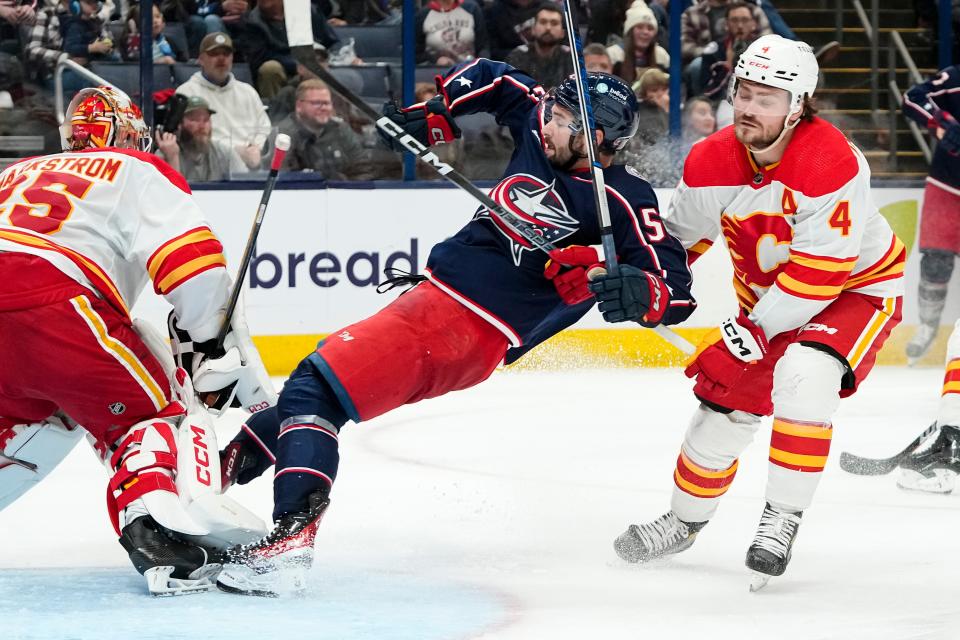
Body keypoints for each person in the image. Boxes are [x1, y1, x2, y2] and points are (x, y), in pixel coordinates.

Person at [213, 62, 697, 596]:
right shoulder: (542, 135)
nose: (547, 123)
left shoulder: (623, 201)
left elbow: (675, 291)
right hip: (436, 305)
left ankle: (286, 547)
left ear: (596, 137)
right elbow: (503, 81)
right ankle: (222, 473)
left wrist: (624, 283)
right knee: (327, 388)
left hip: (466, 326)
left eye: (562, 119)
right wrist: (438, 116)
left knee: (315, 388)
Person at [613, 35, 906, 589]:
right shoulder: (710, 158)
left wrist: (753, 328)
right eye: (744, 91)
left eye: (767, 97)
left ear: (798, 106)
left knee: (806, 370)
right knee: (718, 419)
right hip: (768, 306)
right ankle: (683, 520)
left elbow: (823, 276)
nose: (748, 106)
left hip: (856, 292)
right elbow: (679, 244)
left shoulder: (830, 160)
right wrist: (647, 281)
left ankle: (781, 518)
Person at [0, 85, 276, 594]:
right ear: (127, 132)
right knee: (153, 410)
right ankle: (159, 533)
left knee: (35, 416)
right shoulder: (135, 168)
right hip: (54, 298)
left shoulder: (12, 173)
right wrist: (209, 344)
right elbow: (192, 267)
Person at [901, 65, 960, 363]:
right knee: (936, 262)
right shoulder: (954, 78)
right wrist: (943, 124)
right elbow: (913, 98)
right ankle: (926, 326)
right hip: (948, 186)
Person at [176, 32, 271, 171]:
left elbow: (264, 127)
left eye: (226, 54)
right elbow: (188, 138)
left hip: (253, 163)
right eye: (214, 54)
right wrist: (234, 152)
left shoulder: (248, 91)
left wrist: (256, 148)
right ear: (201, 59)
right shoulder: (185, 92)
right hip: (211, 167)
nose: (221, 59)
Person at [274, 78, 366, 178]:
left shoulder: (340, 129)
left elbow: (361, 167)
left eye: (327, 103)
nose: (323, 108)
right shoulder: (283, 135)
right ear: (299, 106)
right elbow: (281, 178)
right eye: (317, 103)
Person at [155, 95, 247, 181]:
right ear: (180, 125)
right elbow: (169, 195)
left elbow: (246, 187)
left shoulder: (225, 153)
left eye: (206, 120)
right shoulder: (166, 153)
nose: (202, 126)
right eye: (195, 120)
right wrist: (172, 158)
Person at [505, 4, 571, 90]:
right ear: (533, 29)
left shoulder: (571, 56)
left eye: (554, 23)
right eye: (543, 22)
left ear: (562, 33)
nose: (548, 28)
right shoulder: (517, 55)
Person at [608, 3, 669, 88]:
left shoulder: (661, 55)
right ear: (630, 31)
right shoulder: (614, 55)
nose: (645, 32)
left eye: (650, 28)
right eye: (640, 27)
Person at [415, 0, 487, 66]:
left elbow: (483, 46)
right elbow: (415, 54)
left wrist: (480, 65)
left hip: (469, 71)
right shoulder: (422, 15)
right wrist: (435, 60)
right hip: (436, 72)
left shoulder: (472, 8)